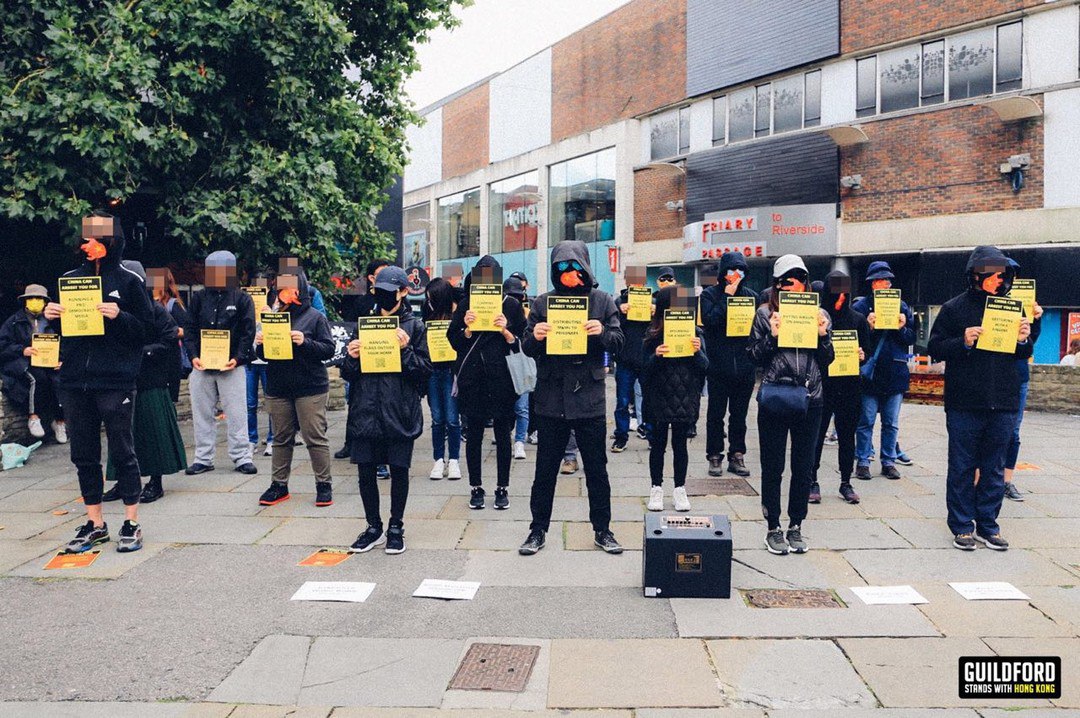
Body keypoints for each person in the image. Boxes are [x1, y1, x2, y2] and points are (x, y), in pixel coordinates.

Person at [44, 213, 154, 553]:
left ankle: (131, 522)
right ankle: (95, 523)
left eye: (93, 239)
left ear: (109, 242)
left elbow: (147, 330)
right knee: (83, 454)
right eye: (84, 239)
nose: (85, 245)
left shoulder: (129, 281)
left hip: (116, 379)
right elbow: (67, 332)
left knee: (123, 450)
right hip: (75, 381)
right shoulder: (69, 280)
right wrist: (52, 318)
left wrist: (120, 316)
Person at [519, 240, 624, 555]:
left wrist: (601, 332)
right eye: (561, 267)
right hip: (551, 398)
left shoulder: (602, 301)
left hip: (589, 398)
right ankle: (537, 530)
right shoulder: (543, 303)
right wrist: (536, 336)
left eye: (574, 266)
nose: (568, 272)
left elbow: (619, 341)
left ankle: (603, 530)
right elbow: (527, 346)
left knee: (597, 470)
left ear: (585, 267)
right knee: (545, 471)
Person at [927, 245, 1031, 551]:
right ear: (975, 275)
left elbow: (1023, 353)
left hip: (1003, 400)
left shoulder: (1013, 308)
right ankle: (962, 526)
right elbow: (935, 348)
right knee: (962, 466)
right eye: (992, 274)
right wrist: (963, 341)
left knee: (994, 468)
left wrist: (1024, 339)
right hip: (965, 402)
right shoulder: (954, 308)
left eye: (1002, 274)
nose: (999, 279)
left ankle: (988, 525)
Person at [343, 266, 432, 554]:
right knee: (365, 471)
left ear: (403, 292)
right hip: (366, 409)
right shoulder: (365, 324)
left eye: (388, 292)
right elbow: (348, 373)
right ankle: (373, 526)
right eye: (377, 291)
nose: (382, 296)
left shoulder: (415, 327)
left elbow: (424, 371)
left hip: (399, 409)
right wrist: (351, 357)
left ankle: (396, 526)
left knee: (399, 470)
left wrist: (406, 350)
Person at [748, 254, 833, 555]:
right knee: (773, 466)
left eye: (798, 278)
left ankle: (796, 525)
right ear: (777, 285)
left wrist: (823, 336)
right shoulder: (764, 314)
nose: (791, 284)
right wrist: (772, 336)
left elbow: (828, 360)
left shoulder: (820, 314)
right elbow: (754, 356)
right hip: (775, 395)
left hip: (811, 398)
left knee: (803, 466)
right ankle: (773, 526)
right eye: (785, 280)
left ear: (805, 283)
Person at [103, 262, 187, 503]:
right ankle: (123, 481)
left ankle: (155, 482)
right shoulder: (113, 310)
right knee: (119, 432)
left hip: (151, 379)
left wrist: (143, 352)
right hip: (120, 379)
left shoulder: (155, 310)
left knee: (153, 431)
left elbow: (169, 338)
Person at [448, 257, 527, 510]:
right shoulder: (466, 304)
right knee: (474, 435)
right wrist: (467, 329)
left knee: (503, 435)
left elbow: (524, 343)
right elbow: (453, 341)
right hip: (473, 380)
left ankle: (502, 487)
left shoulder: (511, 305)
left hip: (503, 380)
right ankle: (476, 487)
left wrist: (506, 330)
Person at [255, 267, 336, 507]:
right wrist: (260, 344)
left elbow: (328, 349)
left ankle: (324, 485)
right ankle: (279, 485)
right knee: (281, 437)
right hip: (279, 385)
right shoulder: (273, 316)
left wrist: (305, 341)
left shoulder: (315, 317)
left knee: (314, 437)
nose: (285, 293)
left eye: (289, 288)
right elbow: (265, 354)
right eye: (281, 289)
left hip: (310, 386)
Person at [182, 250, 258, 476]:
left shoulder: (242, 299)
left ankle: (242, 456)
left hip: (231, 365)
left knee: (237, 413)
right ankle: (203, 458)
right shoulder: (199, 298)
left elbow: (248, 332)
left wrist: (237, 358)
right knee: (201, 413)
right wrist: (193, 355)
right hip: (202, 365)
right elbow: (190, 328)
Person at [642, 286, 708, 512]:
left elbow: (705, 367)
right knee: (657, 444)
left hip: (684, 396)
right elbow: (644, 371)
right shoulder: (653, 333)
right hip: (659, 396)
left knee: (680, 445)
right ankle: (656, 488)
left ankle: (680, 488)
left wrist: (698, 351)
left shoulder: (695, 332)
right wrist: (656, 356)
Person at [811, 271, 871, 505]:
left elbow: (867, 350)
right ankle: (812, 479)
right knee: (816, 435)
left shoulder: (857, 320)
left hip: (849, 386)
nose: (841, 298)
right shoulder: (818, 317)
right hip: (823, 385)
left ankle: (846, 481)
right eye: (836, 293)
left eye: (845, 293)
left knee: (847, 436)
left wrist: (862, 355)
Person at [852, 261, 914, 481]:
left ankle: (888, 462)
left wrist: (902, 328)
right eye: (880, 280)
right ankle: (863, 461)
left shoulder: (902, 306)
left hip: (895, 371)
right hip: (871, 373)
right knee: (866, 421)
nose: (885, 284)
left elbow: (911, 338)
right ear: (872, 284)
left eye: (887, 280)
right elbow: (854, 341)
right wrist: (868, 327)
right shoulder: (861, 308)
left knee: (891, 423)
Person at [700, 252, 758, 477]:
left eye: (740, 270)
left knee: (739, 416)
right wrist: (726, 296)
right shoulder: (709, 295)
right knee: (716, 415)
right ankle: (714, 455)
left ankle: (737, 454)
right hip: (718, 367)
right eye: (732, 270)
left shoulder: (751, 296)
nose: (736, 275)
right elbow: (710, 321)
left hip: (744, 367)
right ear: (723, 273)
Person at [336, 258, 391, 464]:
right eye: (381, 274)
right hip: (363, 361)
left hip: (387, 358)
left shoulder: (394, 301)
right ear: (371, 278)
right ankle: (351, 442)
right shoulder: (362, 302)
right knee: (355, 403)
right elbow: (352, 329)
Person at [0, 284, 66, 443]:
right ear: (25, 301)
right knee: (37, 379)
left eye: (39, 298)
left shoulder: (54, 322)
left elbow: (65, 342)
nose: (35, 301)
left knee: (58, 380)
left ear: (45, 302)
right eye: (31, 298)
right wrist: (22, 350)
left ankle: (59, 422)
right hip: (22, 362)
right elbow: (2, 344)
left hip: (49, 362)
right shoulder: (14, 321)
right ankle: (33, 417)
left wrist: (62, 359)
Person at [1001, 258, 1043, 502]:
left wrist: (1036, 320)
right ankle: (983, 478)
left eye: (1014, 275)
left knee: (1013, 432)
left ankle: (1006, 481)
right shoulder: (985, 302)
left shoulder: (1024, 304)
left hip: (1018, 375)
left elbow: (1029, 343)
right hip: (994, 374)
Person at [422, 277, 463, 480]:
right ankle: (438, 459)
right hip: (433, 369)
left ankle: (454, 459)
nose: (429, 302)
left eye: (432, 298)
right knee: (437, 417)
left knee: (452, 418)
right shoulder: (427, 312)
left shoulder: (457, 313)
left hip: (451, 370)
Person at [612, 267, 651, 452]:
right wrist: (620, 312)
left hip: (647, 359)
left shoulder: (652, 301)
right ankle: (621, 436)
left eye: (639, 281)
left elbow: (660, 328)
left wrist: (656, 313)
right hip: (625, 360)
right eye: (633, 281)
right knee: (622, 401)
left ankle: (651, 434)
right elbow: (613, 328)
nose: (636, 284)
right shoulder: (619, 301)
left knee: (649, 399)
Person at [244, 268, 275, 456]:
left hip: (268, 360)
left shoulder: (276, 303)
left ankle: (272, 439)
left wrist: (269, 315)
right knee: (249, 403)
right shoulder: (245, 302)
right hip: (250, 359)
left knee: (271, 401)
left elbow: (281, 330)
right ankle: (251, 439)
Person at [148, 267, 191, 403]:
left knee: (168, 397)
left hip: (169, 356)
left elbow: (187, 330)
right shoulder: (146, 303)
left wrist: (170, 331)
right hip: (152, 357)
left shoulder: (173, 304)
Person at [505, 274, 532, 460]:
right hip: (503, 363)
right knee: (507, 406)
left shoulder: (528, 312)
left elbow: (527, 338)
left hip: (521, 361)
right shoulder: (499, 311)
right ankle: (507, 436)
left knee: (522, 406)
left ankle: (520, 441)